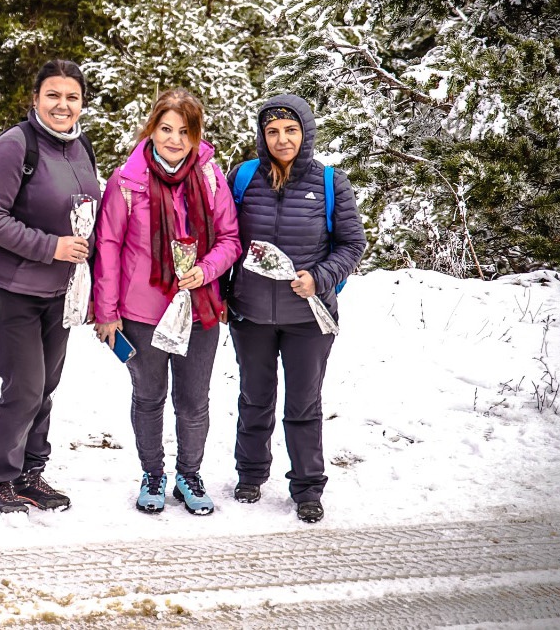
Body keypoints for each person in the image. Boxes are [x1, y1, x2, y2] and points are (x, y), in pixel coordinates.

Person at [92, 88, 240, 517]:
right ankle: (152, 473)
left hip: (198, 308)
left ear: (196, 135)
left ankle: (189, 475)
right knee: (149, 396)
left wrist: (206, 270)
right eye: (166, 129)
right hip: (142, 312)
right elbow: (108, 246)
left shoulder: (210, 177)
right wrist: (106, 312)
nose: (175, 139)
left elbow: (231, 238)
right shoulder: (127, 181)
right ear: (152, 130)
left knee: (193, 402)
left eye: (184, 131)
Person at [0, 59, 102, 513]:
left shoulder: (81, 146)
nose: (62, 105)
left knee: (45, 385)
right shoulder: (15, 146)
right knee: (24, 387)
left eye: (72, 97)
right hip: (9, 290)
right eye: (53, 95)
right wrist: (52, 247)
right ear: (36, 99)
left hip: (59, 293)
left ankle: (29, 473)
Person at [226, 95, 365, 524]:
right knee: (254, 398)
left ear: (306, 133)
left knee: (303, 405)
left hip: (308, 317)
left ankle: (307, 487)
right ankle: (250, 475)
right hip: (250, 314)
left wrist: (318, 278)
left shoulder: (330, 182)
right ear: (261, 136)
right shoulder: (243, 178)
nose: (281, 139)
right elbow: (225, 239)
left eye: (290, 130)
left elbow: (352, 244)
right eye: (272, 131)